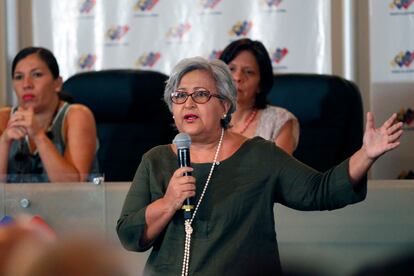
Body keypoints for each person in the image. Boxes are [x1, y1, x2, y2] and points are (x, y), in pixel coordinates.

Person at [116, 57, 403, 276]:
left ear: (225, 106)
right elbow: (130, 234)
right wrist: (169, 202)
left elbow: (321, 190)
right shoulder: (157, 160)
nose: (188, 103)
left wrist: (367, 153)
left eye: (201, 94)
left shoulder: (260, 155)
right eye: (179, 96)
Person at [0, 46, 98, 182]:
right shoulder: (3, 119)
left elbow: (75, 188)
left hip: (67, 203)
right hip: (16, 204)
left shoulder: (77, 116)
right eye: (19, 77)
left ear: (57, 83)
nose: (26, 84)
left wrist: (39, 136)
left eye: (37, 75)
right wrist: (4, 142)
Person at [219, 38, 299, 154]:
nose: (237, 77)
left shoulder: (279, 121)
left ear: (260, 84)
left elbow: (279, 171)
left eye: (249, 72)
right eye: (231, 69)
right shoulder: (208, 118)